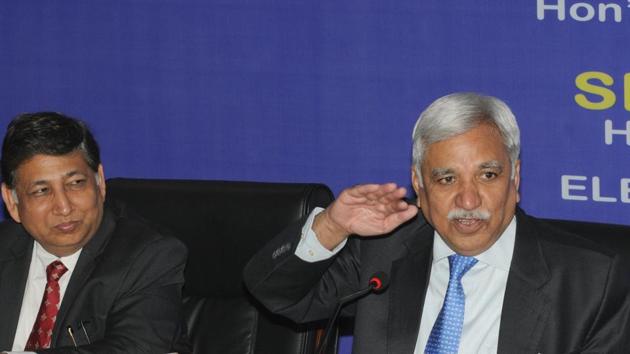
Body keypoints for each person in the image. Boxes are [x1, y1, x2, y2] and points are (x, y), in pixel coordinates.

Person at [244, 92, 630, 353]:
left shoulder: (592, 281)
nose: (467, 200)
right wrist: (332, 227)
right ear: (418, 184)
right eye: (447, 179)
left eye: (488, 175)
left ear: (515, 181)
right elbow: (276, 295)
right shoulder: (383, 251)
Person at [0, 112, 188, 353]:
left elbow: (135, 348)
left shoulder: (149, 255)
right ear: (12, 202)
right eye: (42, 191)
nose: (64, 207)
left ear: (99, 182)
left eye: (76, 183)